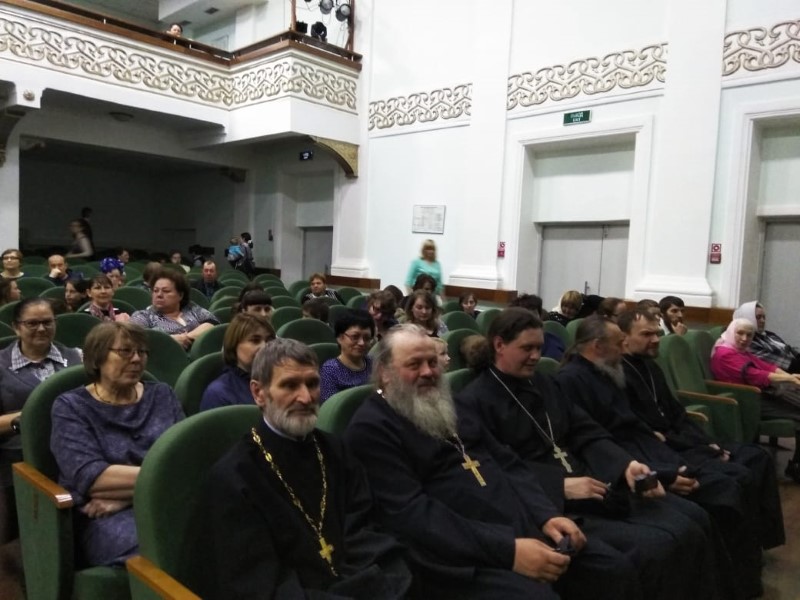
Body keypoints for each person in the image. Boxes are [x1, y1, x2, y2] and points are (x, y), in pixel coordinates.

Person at [345, 324, 642, 600]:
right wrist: (509, 551)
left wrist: (546, 515)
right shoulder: (371, 428)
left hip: (522, 527)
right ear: (384, 372)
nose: (428, 372)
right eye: (414, 364)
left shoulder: (450, 404)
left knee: (612, 569)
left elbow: (509, 463)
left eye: (433, 362)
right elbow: (414, 517)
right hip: (458, 557)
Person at [456, 308, 723, 600]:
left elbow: (586, 430)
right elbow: (494, 467)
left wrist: (625, 464)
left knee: (692, 520)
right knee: (653, 548)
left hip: (592, 481)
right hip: (548, 503)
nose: (535, 356)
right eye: (527, 348)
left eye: (539, 348)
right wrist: (558, 485)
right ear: (499, 345)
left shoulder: (545, 383)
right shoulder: (474, 401)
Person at [557, 315, 766, 599]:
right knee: (712, 502)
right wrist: (662, 474)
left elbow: (638, 424)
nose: (624, 348)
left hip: (649, 454)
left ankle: (737, 581)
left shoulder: (607, 371)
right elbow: (597, 443)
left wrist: (689, 452)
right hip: (629, 465)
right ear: (597, 346)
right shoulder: (570, 381)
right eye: (619, 343)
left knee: (722, 493)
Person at [198, 339, 412, 599]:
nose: (306, 397)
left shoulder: (335, 450)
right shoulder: (234, 478)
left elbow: (364, 529)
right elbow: (257, 585)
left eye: (312, 383)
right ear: (259, 393)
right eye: (290, 385)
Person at [619, 309, 786, 550]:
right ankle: (736, 558)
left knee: (759, 457)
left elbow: (678, 414)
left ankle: (760, 543)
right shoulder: (619, 374)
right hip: (668, 449)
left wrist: (709, 443)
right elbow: (647, 432)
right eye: (647, 334)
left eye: (656, 333)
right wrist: (705, 449)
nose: (656, 339)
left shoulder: (651, 368)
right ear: (623, 337)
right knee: (738, 478)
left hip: (687, 439)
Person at [50, 322, 184, 566]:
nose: (136, 359)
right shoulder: (71, 407)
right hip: (101, 518)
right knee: (164, 545)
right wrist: (167, 480)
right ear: (98, 357)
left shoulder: (162, 394)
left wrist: (126, 497)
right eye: (125, 351)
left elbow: (186, 462)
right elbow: (93, 479)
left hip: (165, 502)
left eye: (142, 352)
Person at [0, 298, 82, 543]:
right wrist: (25, 419)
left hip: (73, 451)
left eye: (48, 322)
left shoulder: (76, 358)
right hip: (17, 455)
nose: (41, 329)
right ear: (16, 327)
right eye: (32, 323)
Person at [710, 317, 800, 480]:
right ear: (731, 332)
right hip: (744, 400)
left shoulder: (740, 351)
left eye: (749, 335)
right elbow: (754, 374)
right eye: (740, 333)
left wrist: (790, 376)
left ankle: (796, 464)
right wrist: (790, 379)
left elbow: (767, 366)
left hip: (756, 395)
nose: (744, 339)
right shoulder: (725, 353)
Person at [199, 313, 275, 412]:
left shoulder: (281, 379)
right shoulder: (219, 393)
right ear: (234, 345)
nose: (265, 347)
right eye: (255, 340)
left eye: (269, 340)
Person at [130, 270, 219, 350]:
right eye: (155, 291)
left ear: (180, 295)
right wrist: (171, 340)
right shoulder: (143, 316)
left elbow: (213, 323)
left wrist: (187, 337)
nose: (159, 295)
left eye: (166, 291)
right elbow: (136, 338)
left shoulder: (191, 309)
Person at [319, 309, 374, 402]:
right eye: (355, 337)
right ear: (340, 338)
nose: (361, 343)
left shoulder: (373, 363)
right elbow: (331, 407)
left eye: (367, 338)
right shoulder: (330, 370)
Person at [733, 300, 800, 373]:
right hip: (785, 374)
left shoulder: (769, 334)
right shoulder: (748, 342)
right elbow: (788, 365)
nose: (762, 321)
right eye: (758, 317)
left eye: (764, 317)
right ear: (747, 318)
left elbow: (790, 349)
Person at [510, 294, 565, 360]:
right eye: (526, 316)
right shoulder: (509, 345)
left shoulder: (554, 342)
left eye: (534, 315)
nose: (531, 320)